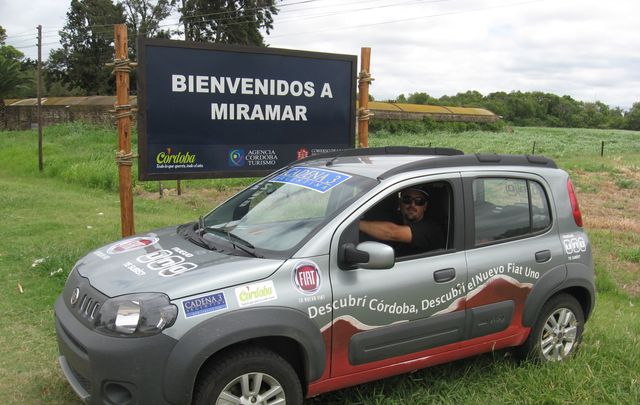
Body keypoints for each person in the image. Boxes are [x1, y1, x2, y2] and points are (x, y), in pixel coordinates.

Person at [359, 187, 444, 256]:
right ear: (400, 203)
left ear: (425, 207)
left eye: (419, 201)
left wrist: (355, 224)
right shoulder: (392, 219)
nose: (412, 205)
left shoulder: (431, 230)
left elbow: (391, 232)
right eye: (407, 199)